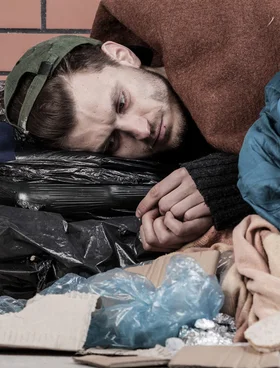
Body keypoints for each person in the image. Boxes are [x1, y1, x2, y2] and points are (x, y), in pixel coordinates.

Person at [3, 36, 254, 252]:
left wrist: (234, 180)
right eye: (112, 142)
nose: (142, 130)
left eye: (121, 103)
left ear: (121, 55)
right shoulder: (148, 180)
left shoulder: (227, 56)